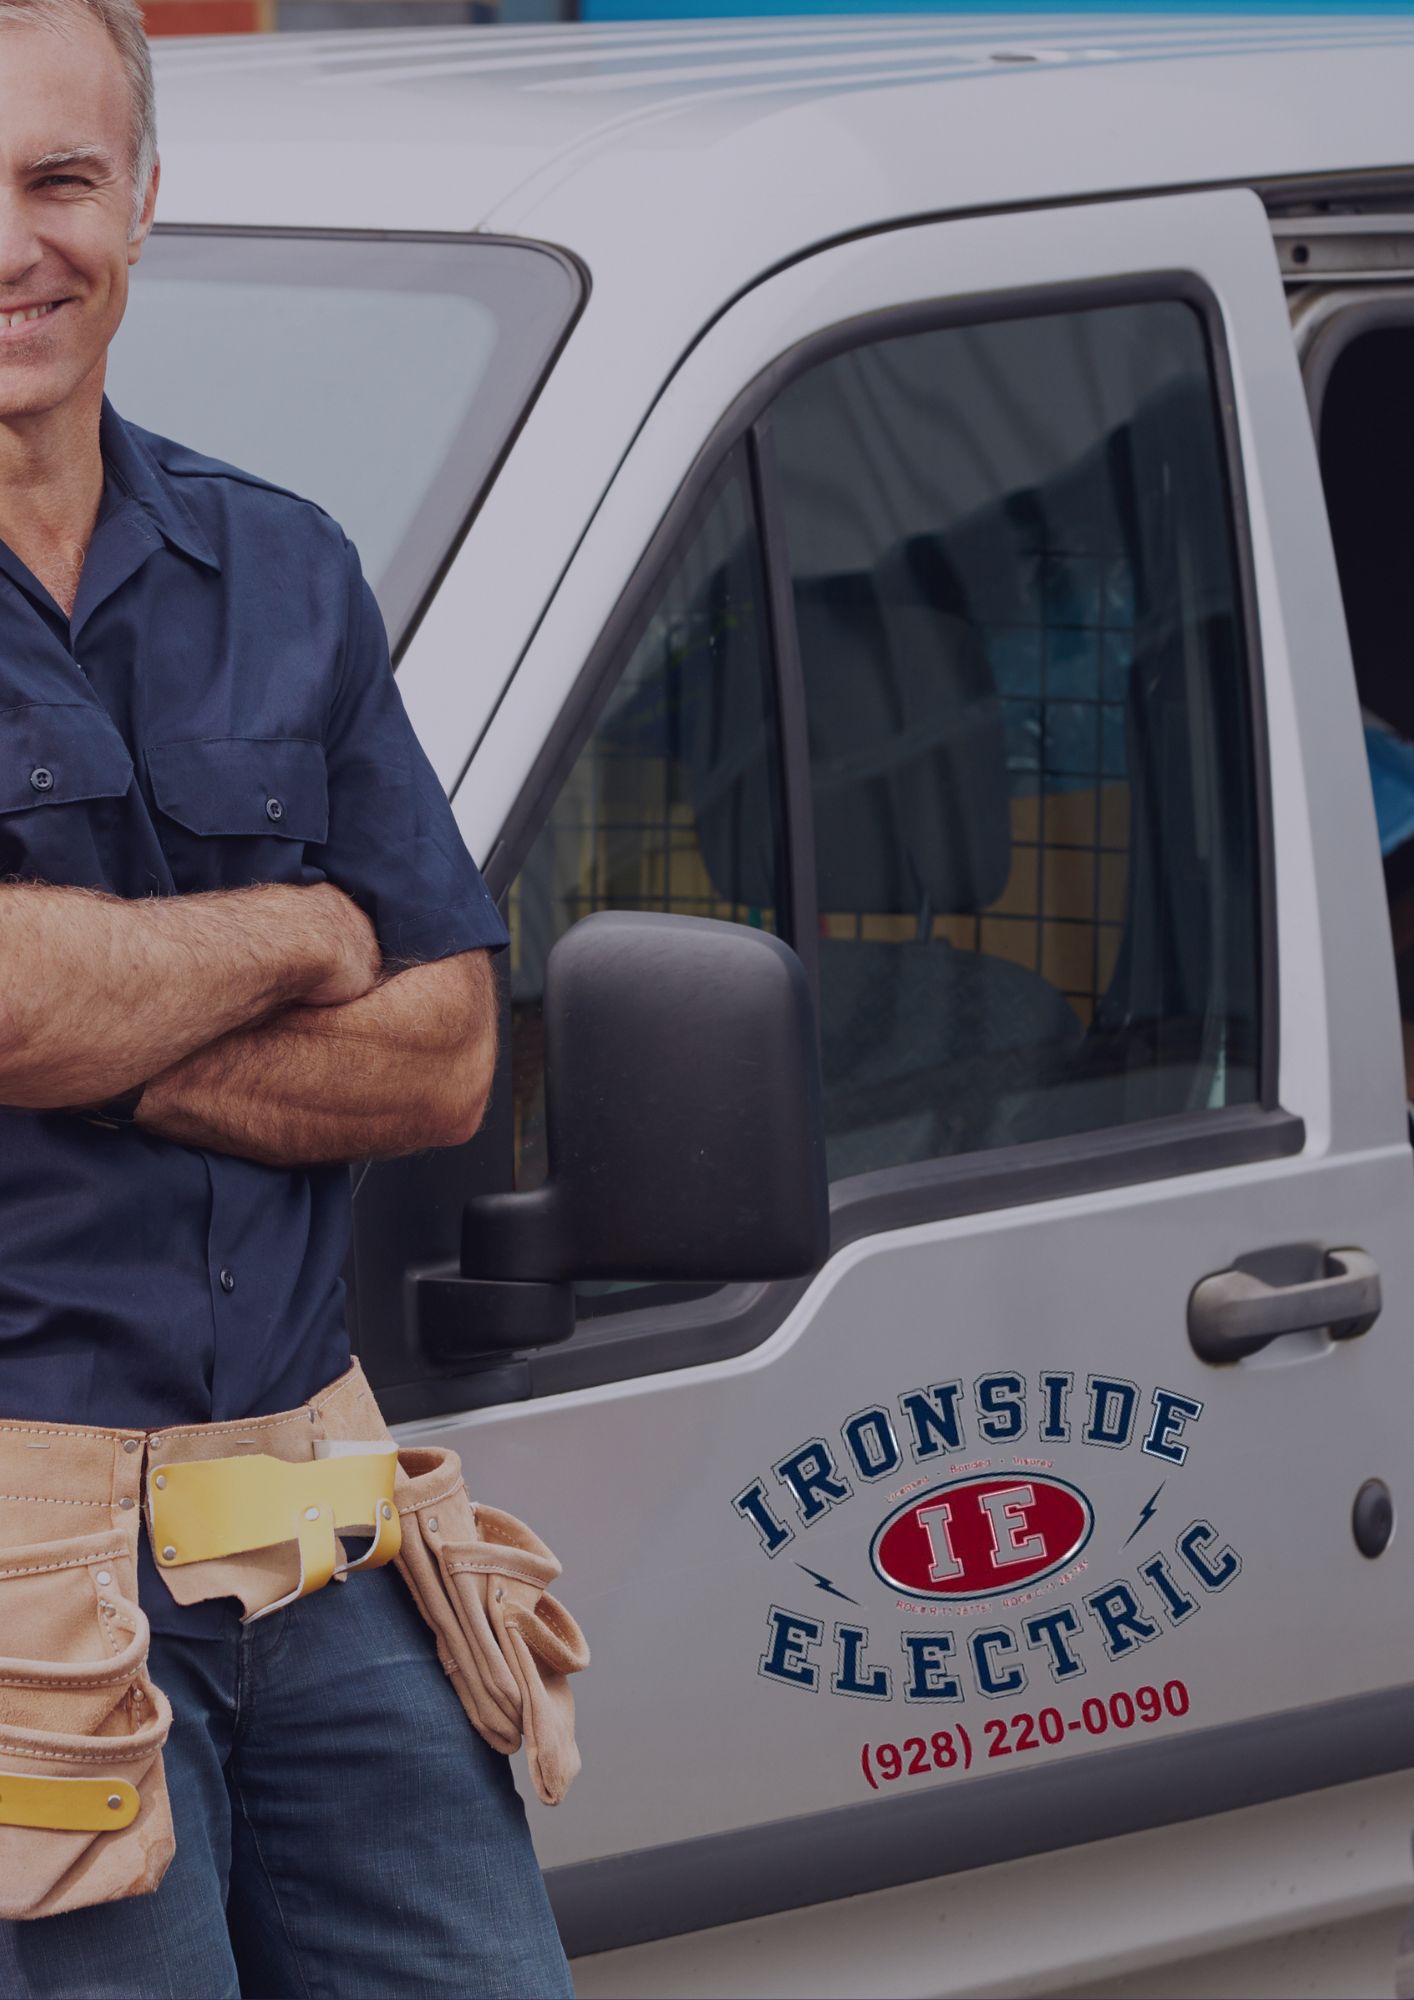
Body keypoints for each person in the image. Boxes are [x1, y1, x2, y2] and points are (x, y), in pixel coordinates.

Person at [0, 1, 576, 1993]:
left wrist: (106, 1024)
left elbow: (440, 1053)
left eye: (61, 181)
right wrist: (299, 930)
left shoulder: (282, 565)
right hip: (22, 1537)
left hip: (301, 1493)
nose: (21, 246)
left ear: (145, 201)